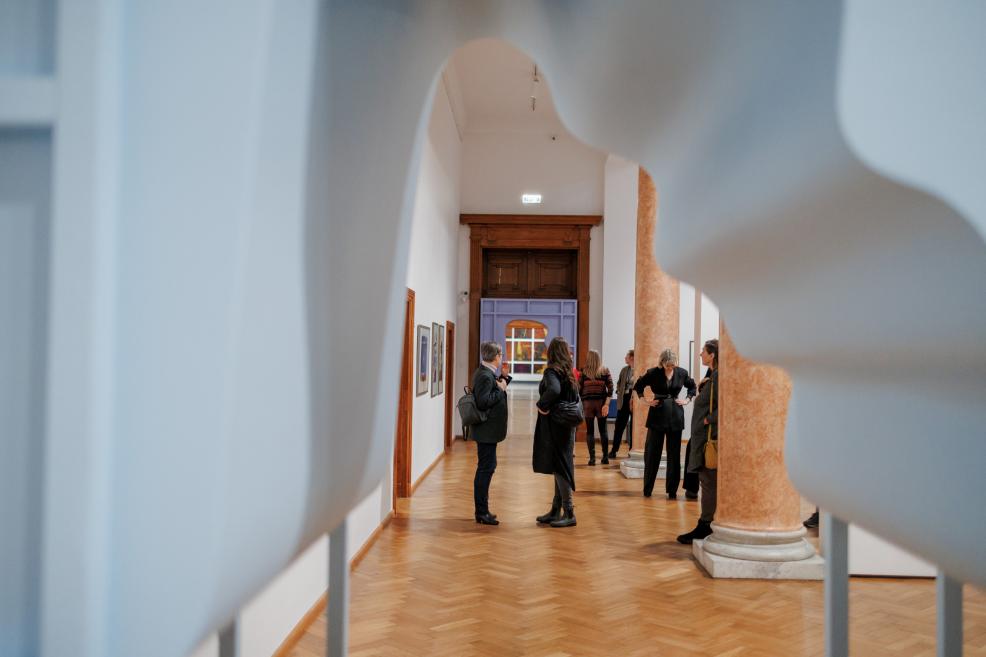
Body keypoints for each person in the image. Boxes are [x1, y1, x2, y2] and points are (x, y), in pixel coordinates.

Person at [634, 348, 696, 499]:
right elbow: (638, 386)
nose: (670, 368)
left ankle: (672, 491)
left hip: (676, 416)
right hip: (657, 416)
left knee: (674, 456)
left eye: (672, 365)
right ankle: (647, 489)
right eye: (668, 365)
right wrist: (646, 401)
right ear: (662, 363)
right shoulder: (653, 373)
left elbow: (693, 387)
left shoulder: (681, 372)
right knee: (651, 454)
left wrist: (687, 400)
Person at [532, 337, 579, 527]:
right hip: (566, 425)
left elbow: (553, 390)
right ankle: (555, 509)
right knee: (561, 464)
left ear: (551, 352)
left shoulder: (552, 371)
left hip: (557, 425)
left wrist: (542, 405)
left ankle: (569, 512)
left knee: (561, 467)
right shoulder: (568, 371)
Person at [677, 339, 719, 544]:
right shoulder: (712, 375)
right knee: (707, 481)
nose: (701, 354)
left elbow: (727, 403)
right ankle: (706, 522)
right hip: (702, 437)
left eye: (703, 351)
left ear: (712, 355)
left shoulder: (719, 375)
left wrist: (707, 419)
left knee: (709, 482)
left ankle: (706, 525)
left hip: (709, 437)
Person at [470, 341, 509, 525]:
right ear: (496, 356)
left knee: (486, 467)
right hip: (486, 431)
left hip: (487, 431)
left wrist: (502, 381)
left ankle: (483, 510)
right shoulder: (485, 376)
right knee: (486, 468)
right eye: (501, 355)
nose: (501, 358)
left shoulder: (486, 373)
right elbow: (483, 402)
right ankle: (481, 512)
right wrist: (500, 390)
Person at [579, 350, 614, 465]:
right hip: (601, 404)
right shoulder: (605, 371)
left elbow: (579, 390)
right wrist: (607, 404)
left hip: (588, 405)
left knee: (590, 432)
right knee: (603, 431)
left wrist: (584, 401)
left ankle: (592, 459)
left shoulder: (584, 372)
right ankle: (605, 458)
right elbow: (611, 389)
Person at [608, 349, 635, 458]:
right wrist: (619, 391)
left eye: (627, 356)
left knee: (634, 427)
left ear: (632, 357)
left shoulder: (639, 369)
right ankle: (614, 450)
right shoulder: (624, 370)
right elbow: (619, 383)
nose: (625, 358)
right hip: (623, 399)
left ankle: (632, 450)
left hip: (634, 401)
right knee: (619, 426)